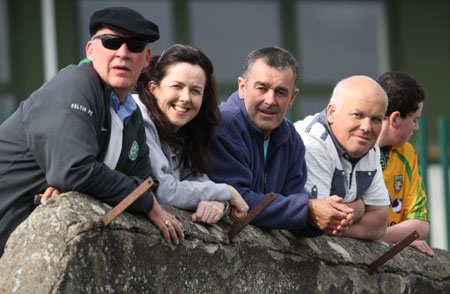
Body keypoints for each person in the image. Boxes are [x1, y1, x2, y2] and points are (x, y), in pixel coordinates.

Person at [0, 7, 183, 257]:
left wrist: (84, 186)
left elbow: (145, 184)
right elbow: (74, 170)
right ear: (90, 50)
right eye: (111, 42)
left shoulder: (131, 115)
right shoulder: (74, 85)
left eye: (135, 45)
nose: (123, 53)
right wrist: (142, 200)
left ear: (146, 58)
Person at [207, 47, 354, 235]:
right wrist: (308, 209)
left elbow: (294, 202)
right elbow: (237, 200)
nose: (270, 100)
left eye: (281, 92)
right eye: (262, 88)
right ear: (242, 87)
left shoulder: (291, 137)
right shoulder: (223, 126)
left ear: (292, 98)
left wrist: (328, 216)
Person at [133, 44, 248, 224]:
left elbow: (196, 179)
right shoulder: (137, 117)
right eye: (177, 86)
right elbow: (163, 191)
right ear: (153, 88)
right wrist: (227, 192)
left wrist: (219, 202)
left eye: (195, 91)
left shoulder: (183, 128)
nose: (185, 98)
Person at [295, 75, 391, 240]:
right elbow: (321, 221)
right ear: (332, 112)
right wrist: (360, 208)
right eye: (358, 115)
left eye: (376, 119)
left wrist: (339, 222)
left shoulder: (370, 148)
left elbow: (379, 224)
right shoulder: (313, 143)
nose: (366, 127)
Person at [377, 71, 434, 256]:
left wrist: (375, 235)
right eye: (414, 119)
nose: (416, 127)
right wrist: (399, 236)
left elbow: (420, 226)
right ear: (395, 119)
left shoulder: (407, 153)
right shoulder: (354, 148)